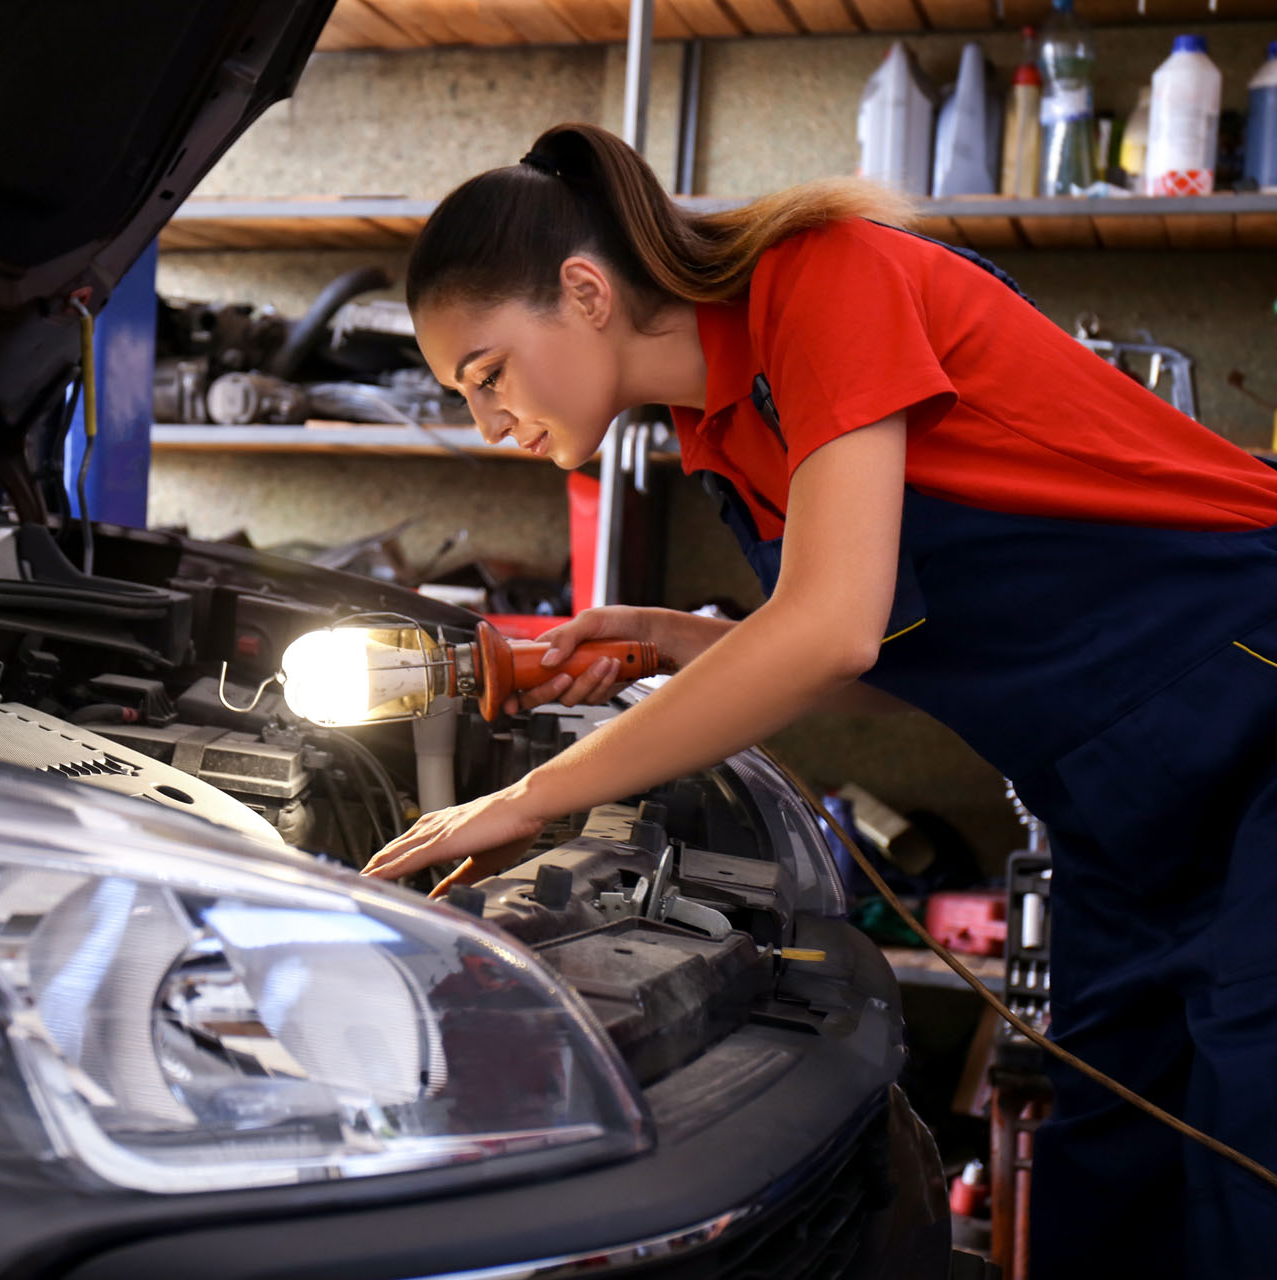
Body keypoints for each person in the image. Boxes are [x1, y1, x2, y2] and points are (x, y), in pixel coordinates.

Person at [360, 120, 1277, 1275]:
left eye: (487, 374)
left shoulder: (827, 279)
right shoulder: (718, 426)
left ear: (584, 291)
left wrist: (530, 799)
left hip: (1255, 705)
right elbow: (908, 651)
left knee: (1253, 1137)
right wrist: (685, 644)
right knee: (1111, 1160)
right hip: (1120, 791)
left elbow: (832, 629)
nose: (489, 421)